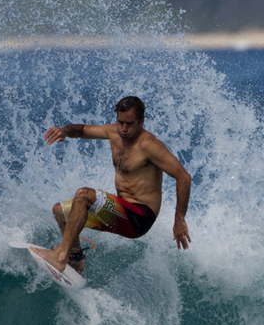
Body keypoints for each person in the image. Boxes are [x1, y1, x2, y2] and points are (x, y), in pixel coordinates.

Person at [36, 96, 191, 273]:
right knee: (60, 211)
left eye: (129, 124)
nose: (124, 128)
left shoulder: (150, 145)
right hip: (123, 210)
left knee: (84, 194)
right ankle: (75, 260)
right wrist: (64, 130)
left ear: (141, 121)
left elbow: (183, 177)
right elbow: (82, 130)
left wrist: (179, 219)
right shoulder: (113, 132)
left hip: (140, 217)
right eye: (120, 122)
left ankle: (60, 257)